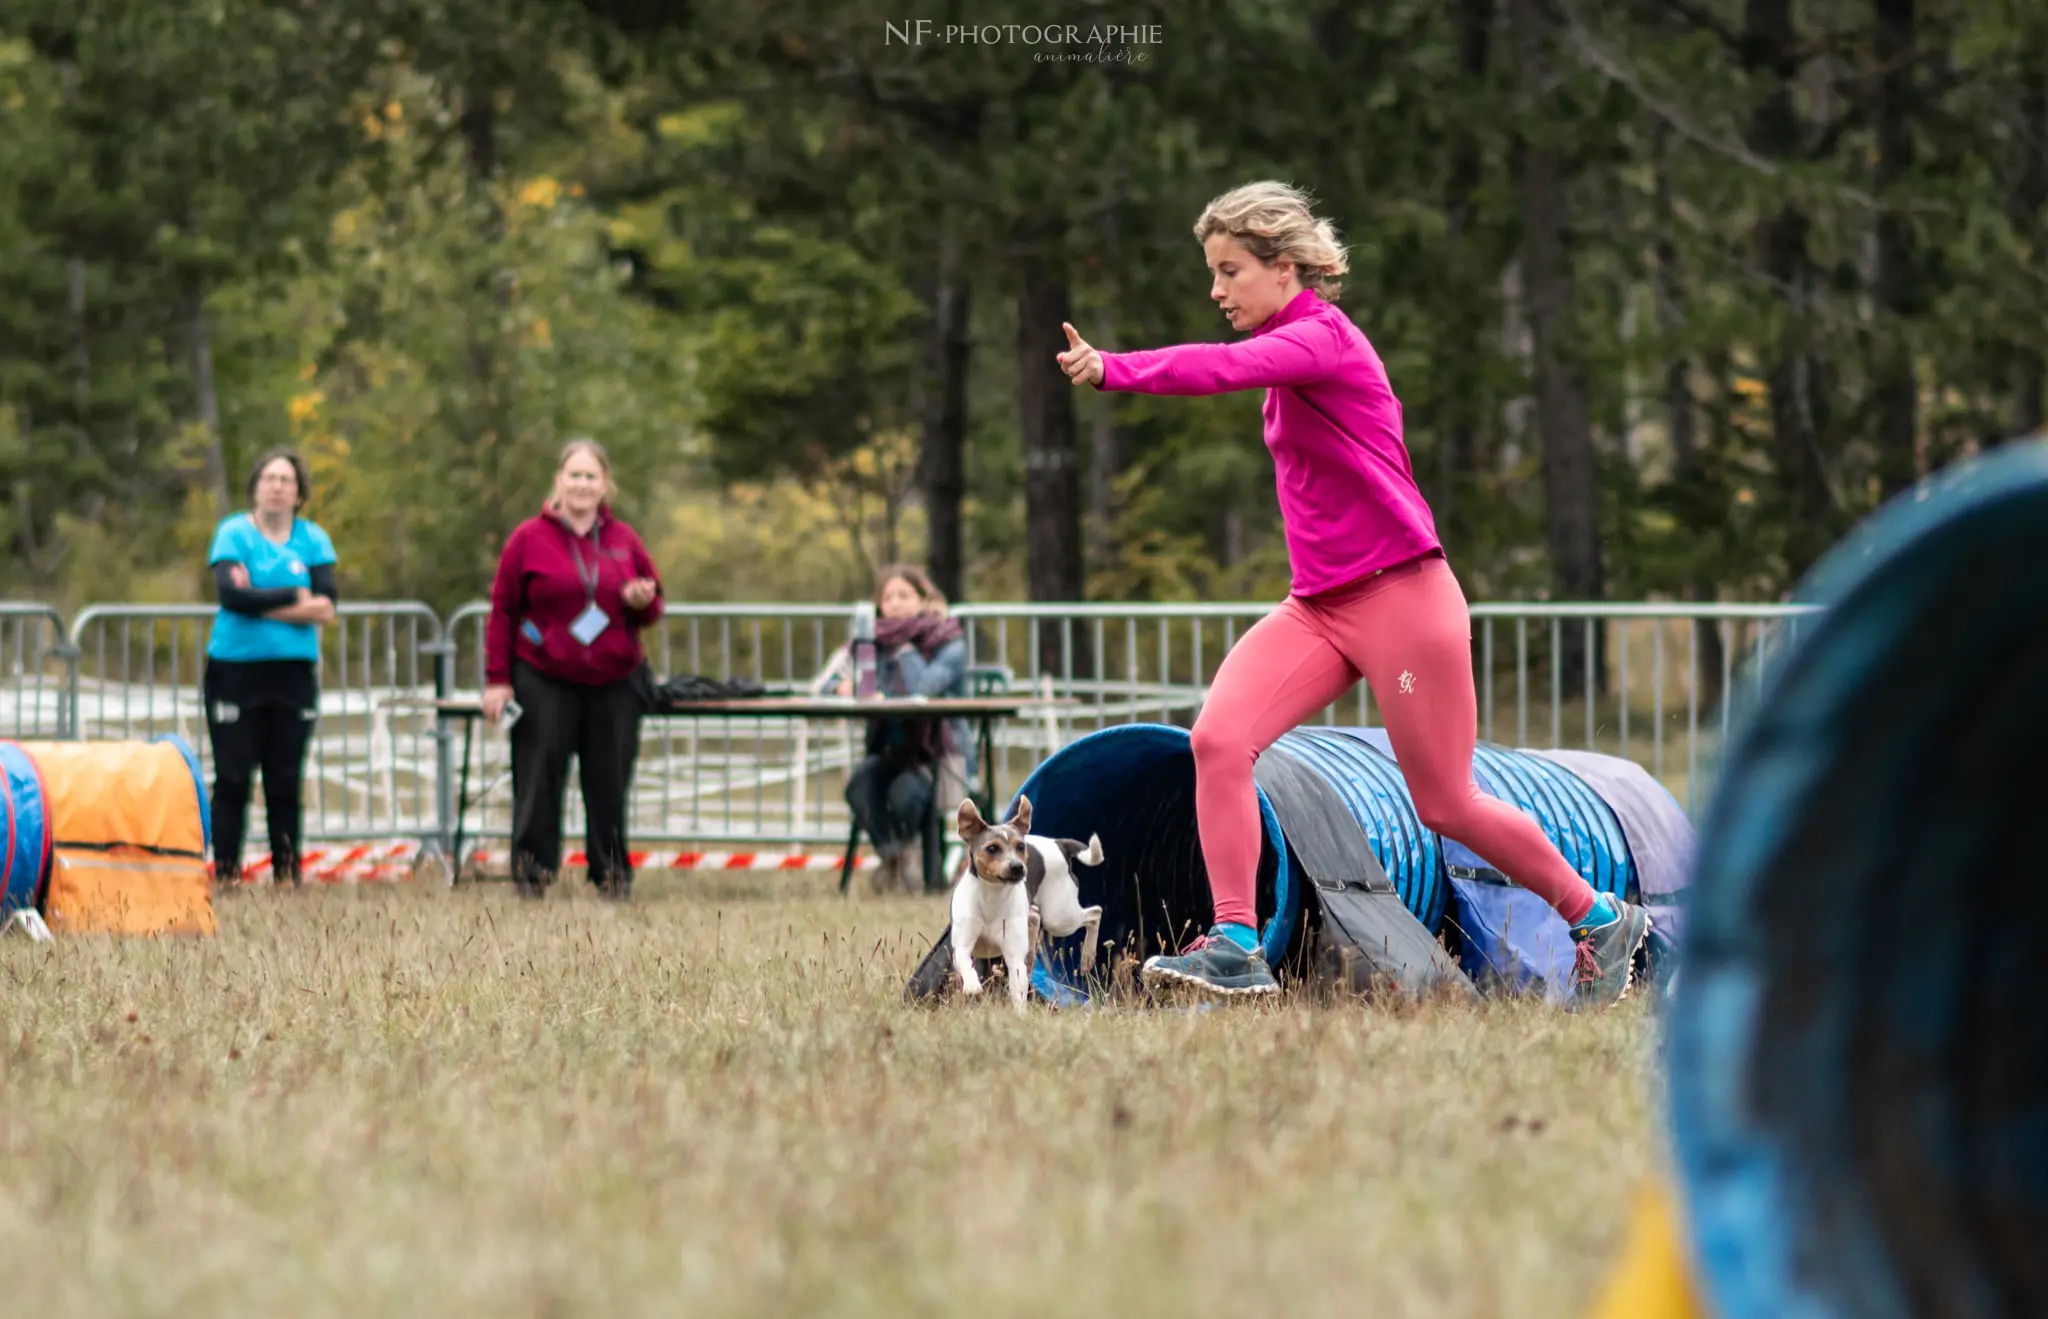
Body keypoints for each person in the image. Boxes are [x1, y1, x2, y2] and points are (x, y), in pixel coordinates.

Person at [1057, 180, 1651, 1008]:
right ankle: (1235, 939)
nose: (1216, 290)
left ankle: (1598, 917)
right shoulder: (1290, 347)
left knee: (1444, 802)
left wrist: (1115, 369)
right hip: (1320, 606)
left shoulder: (1320, 339)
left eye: (1230, 271)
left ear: (1284, 266)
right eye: (1214, 273)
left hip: (1403, 603)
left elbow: (1223, 368)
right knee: (1218, 741)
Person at [482, 438, 665, 901]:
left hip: (615, 680)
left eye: (591, 476)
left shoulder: (625, 540)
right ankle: (532, 874)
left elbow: (652, 603)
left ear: (605, 485)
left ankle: (611, 876)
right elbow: (502, 609)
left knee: (608, 782)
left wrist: (643, 601)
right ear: (558, 481)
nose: (582, 484)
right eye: (574, 475)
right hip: (544, 675)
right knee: (539, 778)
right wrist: (497, 680)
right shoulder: (527, 538)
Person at [205, 448, 338, 889]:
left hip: (293, 674)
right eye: (269, 477)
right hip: (234, 669)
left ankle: (286, 873)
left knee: (284, 776)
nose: (277, 486)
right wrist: (293, 597)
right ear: (256, 485)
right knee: (233, 777)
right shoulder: (234, 534)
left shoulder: (313, 539)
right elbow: (231, 597)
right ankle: (225, 873)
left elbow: (325, 606)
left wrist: (260, 599)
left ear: (299, 491)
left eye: (286, 479)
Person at [834, 565, 969, 894]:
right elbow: (826, 683)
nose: (894, 603)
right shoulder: (869, 640)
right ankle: (894, 856)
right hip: (887, 749)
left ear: (925, 600)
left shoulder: (946, 639)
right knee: (860, 785)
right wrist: (844, 686)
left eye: (904, 595)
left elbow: (924, 686)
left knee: (905, 794)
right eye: (887, 597)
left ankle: (914, 868)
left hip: (938, 755)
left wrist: (903, 647)